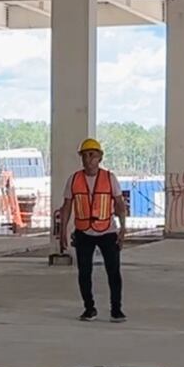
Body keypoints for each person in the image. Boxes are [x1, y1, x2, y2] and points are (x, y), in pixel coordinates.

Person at [58, 138, 128, 323]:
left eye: (92, 155)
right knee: (84, 272)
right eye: (85, 155)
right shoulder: (74, 180)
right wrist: (62, 231)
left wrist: (122, 229)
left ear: (100, 157)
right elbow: (66, 207)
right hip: (83, 233)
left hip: (107, 231)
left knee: (113, 272)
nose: (89, 159)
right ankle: (89, 308)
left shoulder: (109, 178)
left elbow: (120, 204)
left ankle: (116, 309)